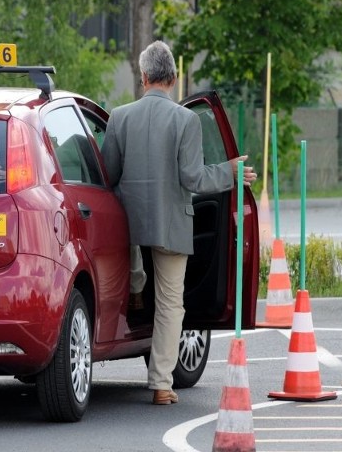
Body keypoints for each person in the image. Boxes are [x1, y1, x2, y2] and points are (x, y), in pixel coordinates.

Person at [100, 40, 257, 406]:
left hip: (129, 226)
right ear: (174, 77)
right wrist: (229, 172)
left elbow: (108, 174)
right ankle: (160, 384)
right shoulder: (187, 120)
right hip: (171, 224)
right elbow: (194, 180)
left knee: (134, 275)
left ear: (143, 77)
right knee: (171, 303)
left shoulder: (119, 117)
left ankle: (136, 286)